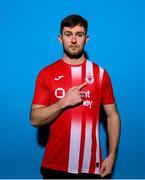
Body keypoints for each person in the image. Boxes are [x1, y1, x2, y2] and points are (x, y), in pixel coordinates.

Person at [30, 14, 120, 179]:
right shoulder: (46, 74)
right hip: (54, 166)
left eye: (79, 35)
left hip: (91, 168)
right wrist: (62, 103)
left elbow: (112, 115)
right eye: (68, 34)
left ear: (86, 39)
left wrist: (112, 155)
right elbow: (35, 119)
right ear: (60, 38)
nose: (73, 40)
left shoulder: (100, 74)